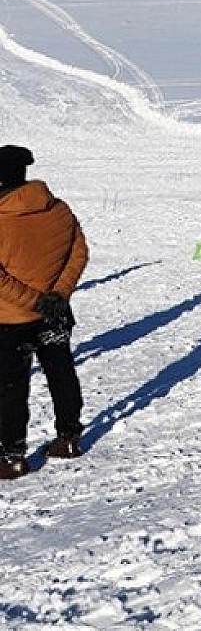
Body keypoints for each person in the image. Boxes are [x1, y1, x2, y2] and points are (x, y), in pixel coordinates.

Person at [0, 145, 89, 479]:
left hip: (10, 319)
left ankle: (12, 457)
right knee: (62, 375)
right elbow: (79, 253)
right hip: (55, 314)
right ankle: (68, 438)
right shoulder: (60, 210)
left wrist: (34, 302)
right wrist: (58, 295)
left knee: (11, 389)